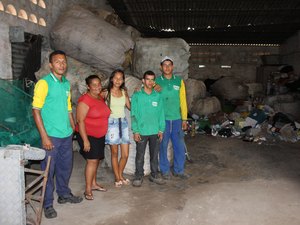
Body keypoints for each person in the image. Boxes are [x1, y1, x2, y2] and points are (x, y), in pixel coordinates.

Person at [32, 50, 82, 219]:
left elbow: (69, 109)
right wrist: (44, 137)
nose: (62, 64)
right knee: (48, 170)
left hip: (66, 134)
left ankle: (64, 194)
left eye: (64, 62)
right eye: (58, 62)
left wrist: (73, 128)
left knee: (65, 167)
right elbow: (36, 110)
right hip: (51, 135)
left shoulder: (66, 84)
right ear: (51, 65)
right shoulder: (44, 84)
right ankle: (46, 204)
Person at [75, 75, 110, 200]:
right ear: (88, 87)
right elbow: (80, 121)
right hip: (88, 135)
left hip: (100, 135)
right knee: (92, 161)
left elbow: (111, 88)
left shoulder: (100, 97)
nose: (97, 87)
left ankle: (94, 184)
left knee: (96, 160)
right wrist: (85, 141)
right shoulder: (85, 100)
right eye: (93, 85)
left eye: (99, 84)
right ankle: (88, 189)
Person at [155, 56, 189, 179]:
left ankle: (179, 170)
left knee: (179, 145)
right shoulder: (156, 82)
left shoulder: (179, 81)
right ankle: (164, 171)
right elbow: (150, 96)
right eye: (165, 65)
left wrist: (184, 119)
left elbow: (183, 101)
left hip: (176, 119)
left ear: (173, 67)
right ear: (161, 67)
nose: (167, 67)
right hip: (162, 120)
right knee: (163, 145)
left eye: (169, 65)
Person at [131, 71, 166, 187]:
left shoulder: (158, 96)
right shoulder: (137, 96)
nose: (150, 82)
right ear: (143, 80)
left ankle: (154, 174)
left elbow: (161, 114)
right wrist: (135, 130)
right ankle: (139, 175)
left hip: (155, 131)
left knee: (154, 155)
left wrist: (161, 130)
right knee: (140, 155)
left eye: (152, 80)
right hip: (142, 131)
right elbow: (133, 114)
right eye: (148, 79)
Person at [101, 69, 131, 187]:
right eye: (116, 78)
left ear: (123, 80)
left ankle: (120, 174)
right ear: (112, 79)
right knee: (114, 153)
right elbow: (95, 100)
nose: (118, 80)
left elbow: (130, 107)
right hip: (111, 123)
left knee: (125, 154)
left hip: (123, 123)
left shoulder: (124, 92)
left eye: (121, 78)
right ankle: (118, 178)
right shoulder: (105, 92)